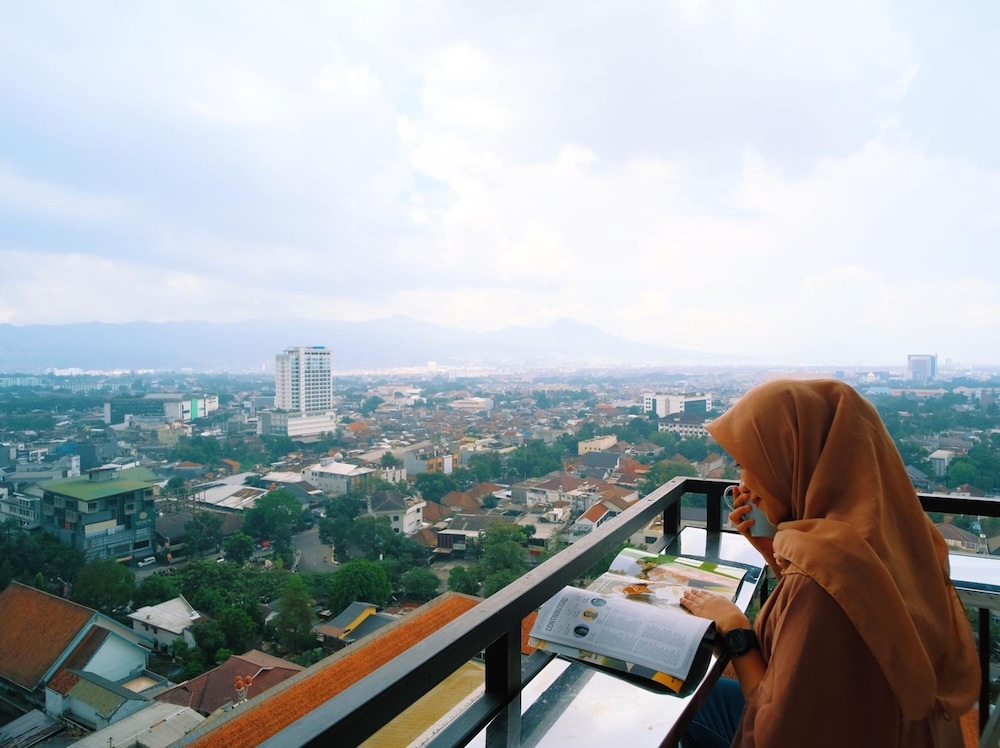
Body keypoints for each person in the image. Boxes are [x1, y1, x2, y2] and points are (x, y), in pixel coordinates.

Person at [678, 379, 979, 748]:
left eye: (748, 465)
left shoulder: (821, 579)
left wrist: (737, 631)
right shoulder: (897, 534)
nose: (743, 485)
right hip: (894, 729)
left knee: (684, 701)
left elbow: (776, 731)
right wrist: (772, 550)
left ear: (793, 461)